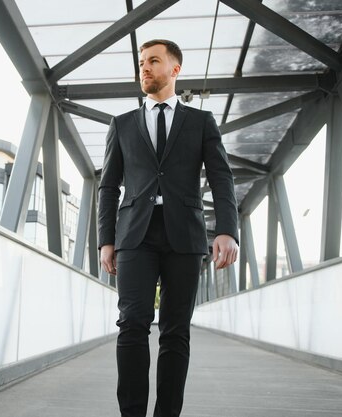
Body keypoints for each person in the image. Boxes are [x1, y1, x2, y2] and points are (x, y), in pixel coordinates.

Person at [98, 39, 239, 417]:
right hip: (134, 237)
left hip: (185, 236)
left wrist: (227, 229)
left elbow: (222, 178)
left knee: (176, 332)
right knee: (132, 325)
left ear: (174, 70)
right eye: (141, 62)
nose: (144, 67)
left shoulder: (201, 122)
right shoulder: (122, 124)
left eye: (153, 61)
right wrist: (105, 241)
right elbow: (109, 186)